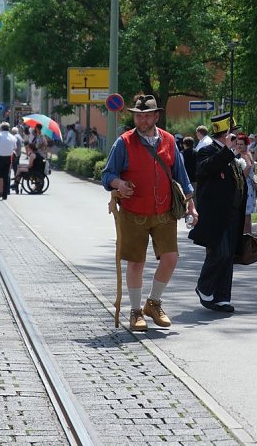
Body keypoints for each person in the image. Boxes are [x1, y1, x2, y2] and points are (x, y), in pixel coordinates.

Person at [102, 95, 196, 331]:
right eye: (138, 115)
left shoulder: (168, 141)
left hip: (164, 211)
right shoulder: (123, 142)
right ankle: (135, 312)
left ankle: (153, 303)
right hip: (134, 212)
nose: (142, 120)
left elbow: (181, 175)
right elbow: (107, 175)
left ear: (156, 116)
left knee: (171, 258)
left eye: (146, 115)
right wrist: (119, 185)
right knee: (136, 263)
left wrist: (191, 204)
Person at [189, 112, 246, 313]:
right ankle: (204, 286)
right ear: (226, 134)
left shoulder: (229, 154)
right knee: (219, 252)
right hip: (215, 213)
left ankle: (222, 296)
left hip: (233, 212)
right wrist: (228, 152)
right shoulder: (208, 150)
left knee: (228, 255)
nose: (237, 137)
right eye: (234, 133)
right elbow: (206, 169)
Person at [235, 133, 257, 233]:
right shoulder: (249, 154)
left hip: (246, 186)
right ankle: (247, 236)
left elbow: (248, 166)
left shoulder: (244, 155)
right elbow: (255, 171)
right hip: (249, 186)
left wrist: (241, 177)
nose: (239, 146)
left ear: (246, 145)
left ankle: (247, 238)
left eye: (241, 144)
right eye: (237, 144)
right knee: (246, 215)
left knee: (245, 215)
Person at [0, 122, 17, 200]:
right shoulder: (12, 137)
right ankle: (5, 195)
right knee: (5, 176)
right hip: (8, 158)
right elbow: (14, 148)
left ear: (1, 128)